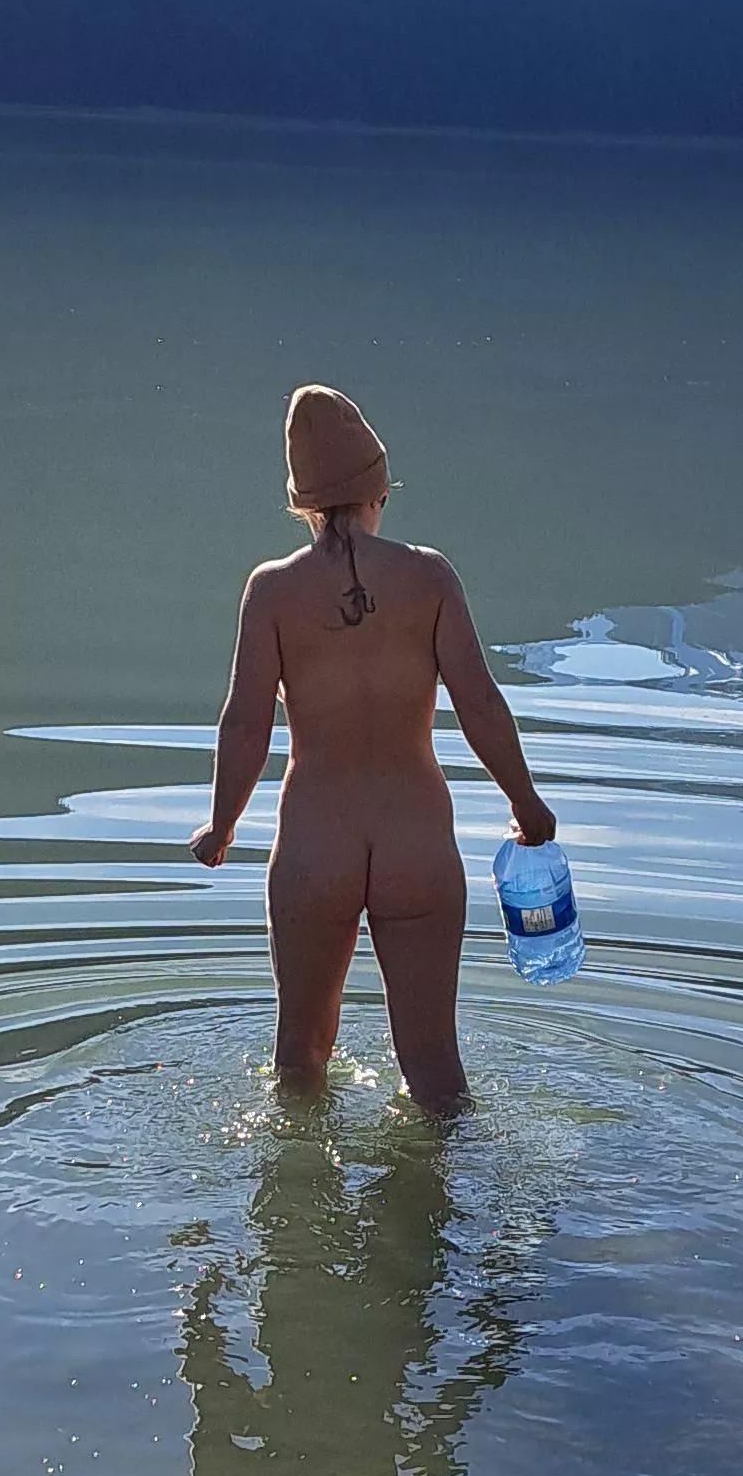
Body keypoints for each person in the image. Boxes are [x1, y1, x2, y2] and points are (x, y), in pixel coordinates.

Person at [189, 384, 558, 1114]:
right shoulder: (430, 578)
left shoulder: (271, 592)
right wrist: (528, 804)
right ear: (379, 489)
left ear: (301, 503)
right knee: (434, 1071)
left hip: (314, 844)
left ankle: (297, 1212)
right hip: (415, 840)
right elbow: (480, 702)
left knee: (299, 1059)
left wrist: (221, 825)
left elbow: (245, 724)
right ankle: (445, 1204)